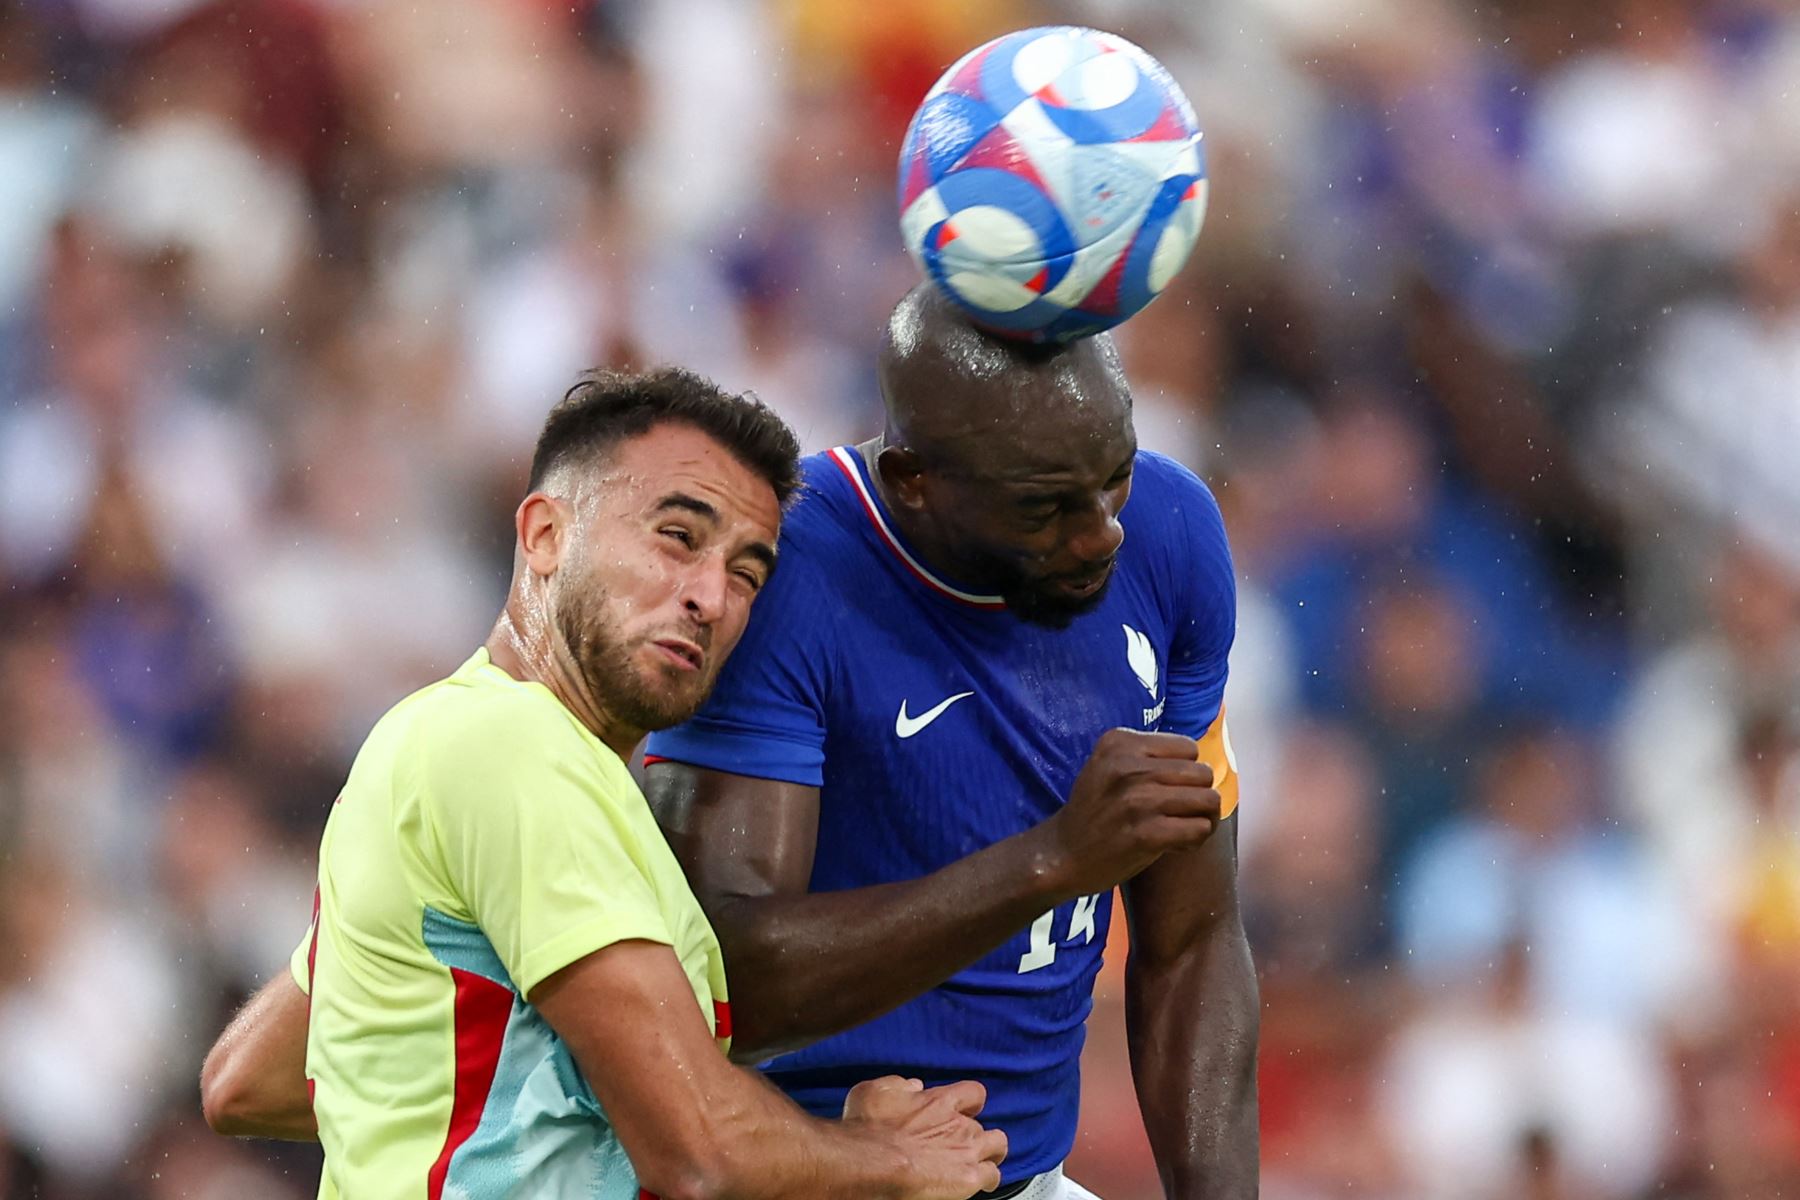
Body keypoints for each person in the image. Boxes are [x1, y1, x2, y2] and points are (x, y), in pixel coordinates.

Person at [199, 367, 1009, 1200]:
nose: (710, 596)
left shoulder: (447, 741)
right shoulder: (513, 748)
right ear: (546, 534)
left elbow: (248, 1079)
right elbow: (697, 1153)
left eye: (746, 572)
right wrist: (887, 1160)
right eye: (677, 536)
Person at [642, 285, 1257, 1199]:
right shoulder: (781, 574)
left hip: (1029, 1177)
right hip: (800, 1173)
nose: (1102, 534)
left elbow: (1194, 938)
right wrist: (1050, 862)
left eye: (1115, 476)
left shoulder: (1172, 535)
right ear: (913, 481)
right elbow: (717, 987)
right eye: (1046, 508)